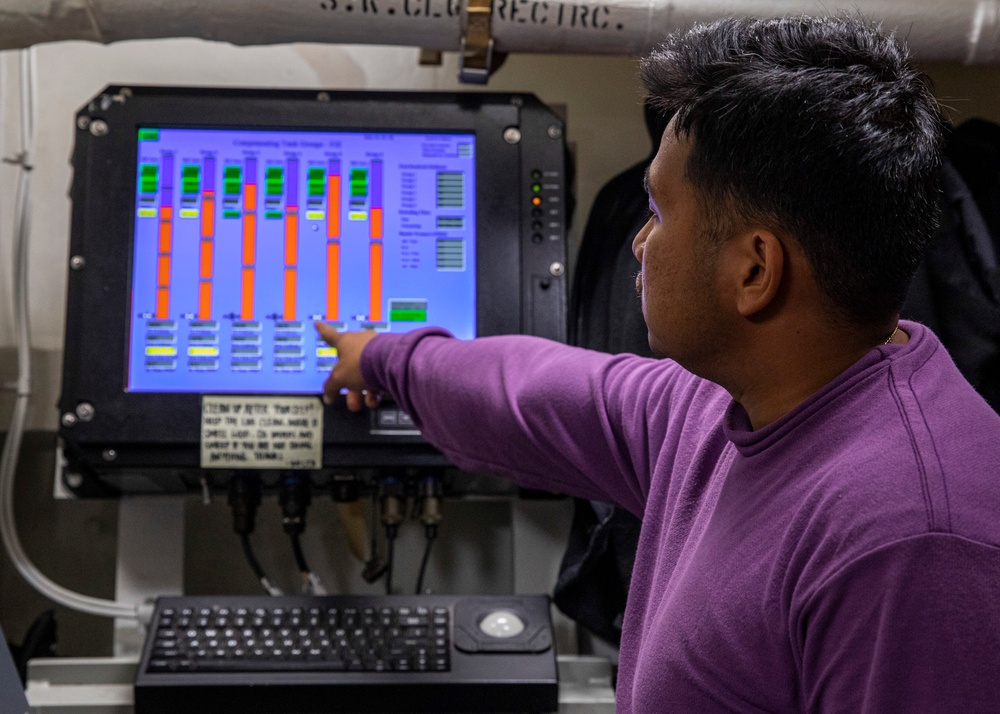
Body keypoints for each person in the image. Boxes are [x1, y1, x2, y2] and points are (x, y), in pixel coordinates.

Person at [317, 15, 1000, 713]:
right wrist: (383, 355)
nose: (640, 244)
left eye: (659, 211)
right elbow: (533, 392)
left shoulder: (915, 545)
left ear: (755, 269)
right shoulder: (731, 404)